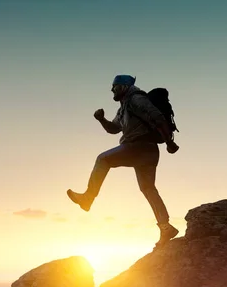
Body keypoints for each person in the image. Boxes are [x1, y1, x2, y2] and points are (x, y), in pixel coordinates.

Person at [67, 74, 180, 249]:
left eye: (115, 86)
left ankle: (87, 198)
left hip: (138, 146)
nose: (112, 89)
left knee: (103, 159)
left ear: (124, 86)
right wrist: (101, 119)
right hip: (147, 151)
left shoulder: (136, 99)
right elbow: (113, 129)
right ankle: (166, 227)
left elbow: (156, 116)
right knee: (148, 189)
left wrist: (169, 142)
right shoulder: (123, 107)